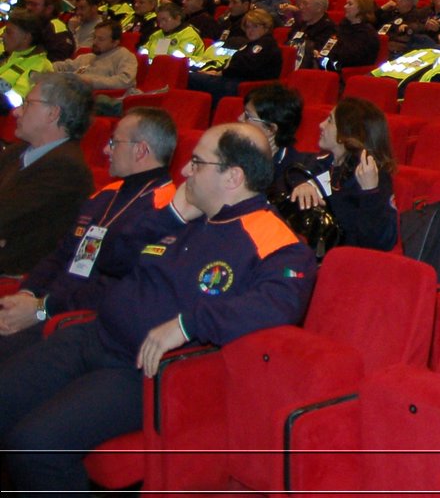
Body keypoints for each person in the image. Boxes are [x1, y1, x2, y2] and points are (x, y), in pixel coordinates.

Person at [0, 122, 316, 497]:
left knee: (34, 446)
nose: (184, 171)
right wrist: (172, 216)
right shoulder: (185, 215)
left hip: (143, 371)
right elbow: (110, 259)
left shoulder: (275, 240)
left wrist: (187, 324)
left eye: (197, 162)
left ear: (233, 176)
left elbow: (276, 306)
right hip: (92, 336)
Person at [0, 108, 177, 364]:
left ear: (141, 150)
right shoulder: (107, 194)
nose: (106, 150)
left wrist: (41, 309)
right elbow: (61, 253)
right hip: (44, 307)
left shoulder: (163, 211)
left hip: (75, 323)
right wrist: (26, 295)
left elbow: (115, 288)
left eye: (114, 142)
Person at [0, 73, 95, 276]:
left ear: (52, 113)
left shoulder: (66, 169)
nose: (16, 112)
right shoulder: (18, 152)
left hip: (14, 276)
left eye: (27, 104)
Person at [288, 98, 399, 252]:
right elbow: (294, 171)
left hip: (346, 262)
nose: (321, 125)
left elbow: (380, 243)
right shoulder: (328, 163)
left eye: (330, 121)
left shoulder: (374, 176)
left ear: (346, 133)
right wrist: (303, 184)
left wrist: (370, 193)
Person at [188, 8, 283, 102]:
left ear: (266, 27)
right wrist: (217, 71)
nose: (250, 30)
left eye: (255, 26)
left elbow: (245, 66)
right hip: (235, 80)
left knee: (191, 78)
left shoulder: (265, 44)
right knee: (195, 74)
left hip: (249, 86)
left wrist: (221, 73)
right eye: (247, 27)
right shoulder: (252, 44)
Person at [240, 83, 317, 199]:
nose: (240, 119)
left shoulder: (295, 172)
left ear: (270, 129)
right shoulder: (234, 154)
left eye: (247, 116)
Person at [53, 19, 137, 92]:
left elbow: (125, 81)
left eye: (101, 39)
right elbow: (66, 66)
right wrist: (47, 66)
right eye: (94, 37)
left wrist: (91, 81)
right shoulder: (88, 57)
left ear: (115, 43)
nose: (95, 42)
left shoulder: (124, 56)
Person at [0, 12, 58, 112]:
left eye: (8, 32)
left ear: (26, 38)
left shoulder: (40, 66)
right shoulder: (11, 55)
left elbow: (19, 102)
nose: (2, 35)